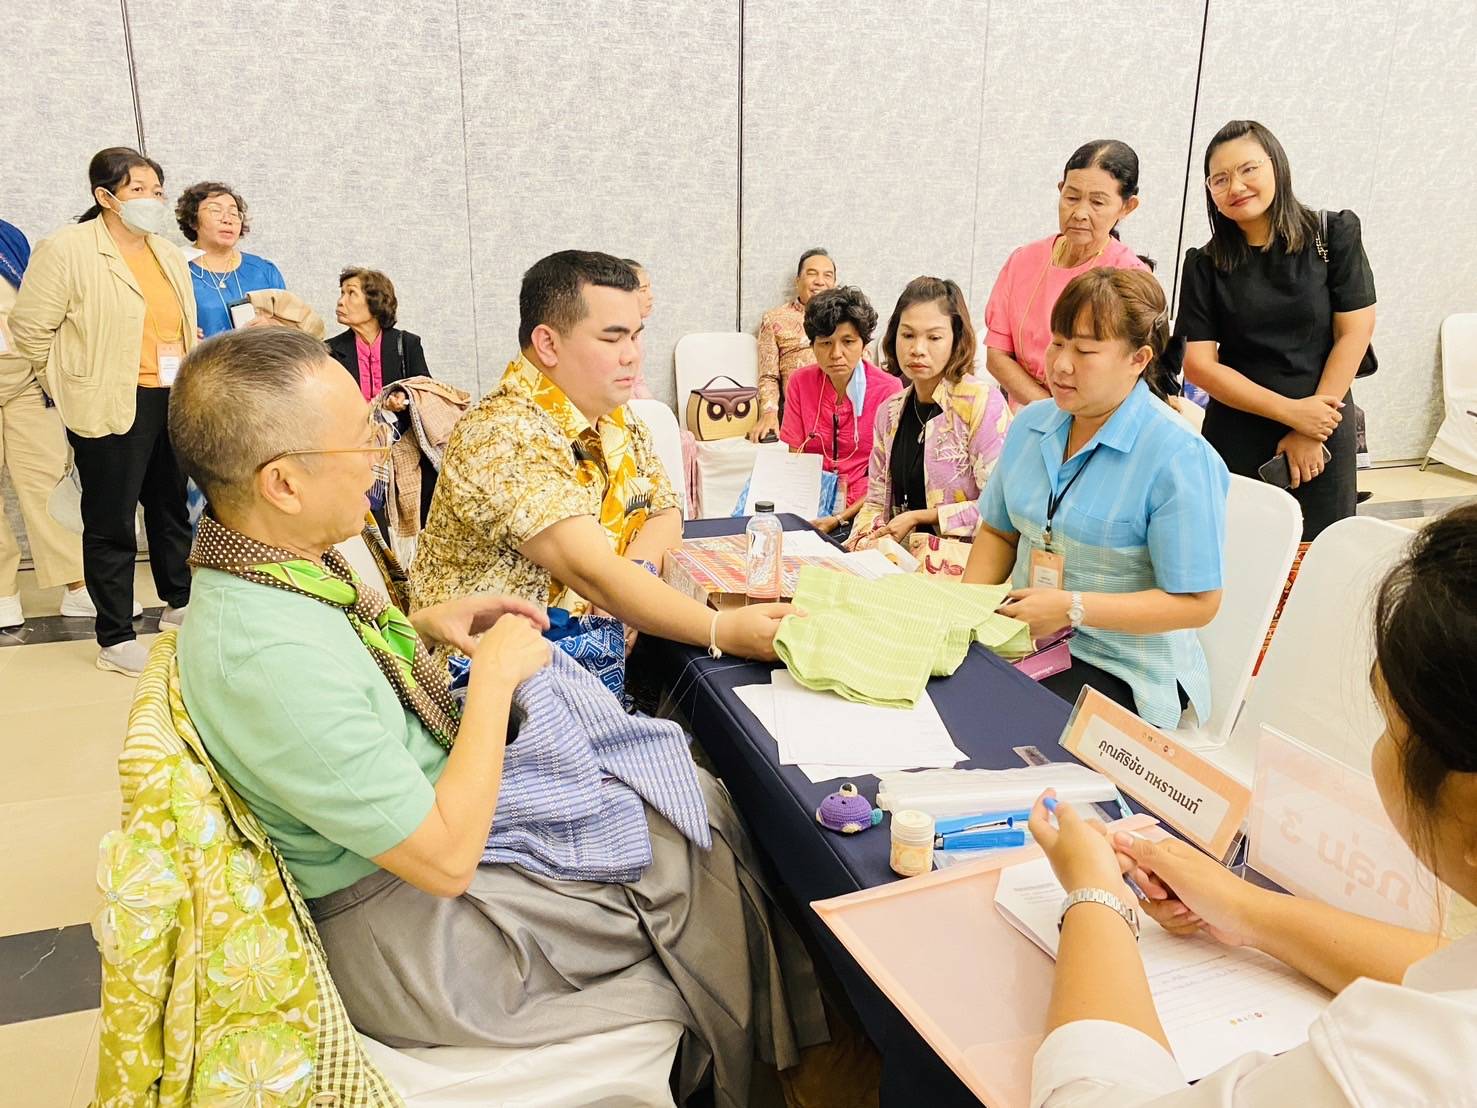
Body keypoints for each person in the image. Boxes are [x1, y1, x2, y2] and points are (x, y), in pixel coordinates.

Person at [167, 325, 826, 1108]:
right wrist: (490, 681)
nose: (382, 460)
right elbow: (442, 861)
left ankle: (779, 1035)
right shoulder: (263, 656)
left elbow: (339, 689)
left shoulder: (266, 563)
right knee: (684, 847)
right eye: (362, 446)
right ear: (282, 482)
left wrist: (422, 626)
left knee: (684, 801)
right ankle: (766, 1061)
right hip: (417, 931)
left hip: (414, 856)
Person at [1027, 503, 1477, 1106]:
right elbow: (1441, 971)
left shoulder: (1397, 1068)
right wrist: (1244, 909)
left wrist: (1095, 895)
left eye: (1392, 726)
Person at [410, 250, 792, 661]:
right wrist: (723, 630)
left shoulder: (612, 416)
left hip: (582, 659)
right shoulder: (503, 433)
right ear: (548, 344)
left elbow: (665, 511)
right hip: (494, 685)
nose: (632, 355)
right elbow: (594, 574)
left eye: (635, 335)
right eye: (613, 338)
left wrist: (632, 577)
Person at [963, 267, 1229, 729]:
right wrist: (963, 616)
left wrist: (1073, 608)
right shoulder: (1031, 424)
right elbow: (999, 533)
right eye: (1057, 342)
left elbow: (1197, 602)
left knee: (999, 727)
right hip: (1027, 639)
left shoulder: (1178, 457)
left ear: (1138, 358)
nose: (1061, 364)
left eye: (1085, 350)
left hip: (1122, 664)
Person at [8, 147, 195, 675]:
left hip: (169, 395)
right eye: (139, 189)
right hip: (109, 400)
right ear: (105, 196)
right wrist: (68, 384)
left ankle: (179, 603)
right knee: (110, 521)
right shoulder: (68, 248)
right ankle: (114, 637)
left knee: (170, 508)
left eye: (157, 189)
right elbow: (30, 328)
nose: (152, 199)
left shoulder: (166, 252)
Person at [1177, 119, 1375, 541]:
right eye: (1220, 178)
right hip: (1239, 431)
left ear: (1277, 167)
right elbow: (1198, 365)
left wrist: (1308, 426)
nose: (1236, 186)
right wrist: (1290, 413)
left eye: (1249, 169)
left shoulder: (1333, 233)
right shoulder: (1204, 264)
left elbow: (1354, 333)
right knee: (1235, 555)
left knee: (1317, 557)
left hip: (1323, 422)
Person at [984, 140, 1150, 409]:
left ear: (1127, 207)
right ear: (1060, 190)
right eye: (1071, 197)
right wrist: (1048, 413)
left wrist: (1065, 419)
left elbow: (1126, 376)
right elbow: (997, 355)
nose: (1080, 213)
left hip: (1092, 424)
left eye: (1097, 202)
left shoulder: (1129, 277)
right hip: (1024, 418)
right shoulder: (1023, 260)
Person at [847, 277, 1011, 549]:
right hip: (897, 562)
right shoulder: (889, 411)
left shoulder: (981, 403)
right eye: (908, 335)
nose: (917, 349)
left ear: (956, 339)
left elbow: (999, 509)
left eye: (934, 337)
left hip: (964, 567)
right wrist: (863, 546)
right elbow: (875, 502)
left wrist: (923, 517)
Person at [0, 217, 88, 630]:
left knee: (49, 480)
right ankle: (2, 593)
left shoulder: (8, 234)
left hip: (23, 377)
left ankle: (78, 587)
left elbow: (39, 301)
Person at [778, 286, 902, 536]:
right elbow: (795, 461)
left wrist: (838, 519)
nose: (836, 354)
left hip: (865, 507)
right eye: (825, 343)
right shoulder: (800, 383)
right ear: (812, 345)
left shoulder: (888, 389)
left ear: (864, 343)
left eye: (848, 342)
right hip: (809, 500)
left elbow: (888, 479)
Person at [174, 181, 286, 338]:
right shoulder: (175, 269)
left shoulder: (263, 270)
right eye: (215, 211)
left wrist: (274, 326)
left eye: (234, 213)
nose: (227, 219)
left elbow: (291, 328)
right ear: (193, 221)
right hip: (201, 361)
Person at [751, 247, 837, 443]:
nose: (820, 281)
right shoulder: (774, 319)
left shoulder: (847, 320)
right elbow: (768, 376)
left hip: (841, 409)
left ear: (834, 283)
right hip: (801, 411)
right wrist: (769, 412)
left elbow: (865, 368)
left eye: (827, 275)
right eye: (811, 273)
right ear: (797, 281)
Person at [327, 267, 430, 405]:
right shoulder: (329, 350)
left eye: (351, 293)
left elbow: (426, 391)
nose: (341, 301)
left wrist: (404, 396)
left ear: (375, 301)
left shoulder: (407, 344)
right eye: (342, 293)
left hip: (398, 426)